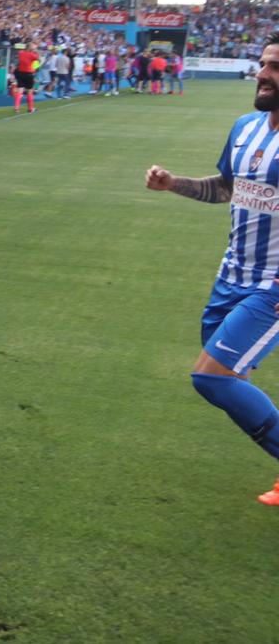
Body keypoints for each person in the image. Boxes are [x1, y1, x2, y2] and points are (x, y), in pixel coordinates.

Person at [145, 36, 279, 505]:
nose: (262, 74)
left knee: (213, 377)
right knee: (228, 376)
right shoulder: (246, 127)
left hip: (273, 285)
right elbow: (227, 188)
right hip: (231, 276)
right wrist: (172, 184)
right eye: (263, 63)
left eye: (275, 67)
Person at [12, 43, 39, 113]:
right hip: (28, 73)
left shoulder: (21, 53)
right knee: (29, 91)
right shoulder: (32, 55)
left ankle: (16, 107)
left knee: (20, 90)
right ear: (30, 48)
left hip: (20, 73)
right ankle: (30, 108)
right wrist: (35, 51)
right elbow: (37, 59)